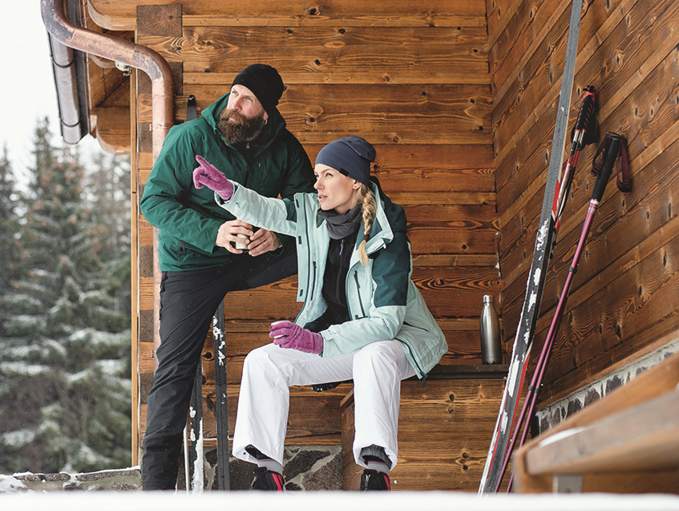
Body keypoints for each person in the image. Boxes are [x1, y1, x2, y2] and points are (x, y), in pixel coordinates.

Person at [192, 136, 448, 491]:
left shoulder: (387, 239)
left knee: (372, 356)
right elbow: (270, 211)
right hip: (342, 342)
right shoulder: (314, 215)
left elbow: (387, 324)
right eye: (316, 174)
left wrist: (318, 340)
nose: (317, 184)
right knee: (263, 361)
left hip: (399, 343)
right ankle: (267, 475)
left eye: (327, 174)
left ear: (355, 180)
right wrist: (229, 191)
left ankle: (376, 474)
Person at [138, 64, 314, 491]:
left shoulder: (286, 149)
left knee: (327, 242)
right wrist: (211, 232)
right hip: (193, 264)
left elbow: (308, 208)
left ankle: (341, 335)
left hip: (252, 256)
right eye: (234, 92)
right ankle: (156, 489)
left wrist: (277, 235)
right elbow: (154, 202)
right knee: (175, 367)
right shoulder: (191, 137)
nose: (235, 103)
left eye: (247, 99)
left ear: (265, 114)